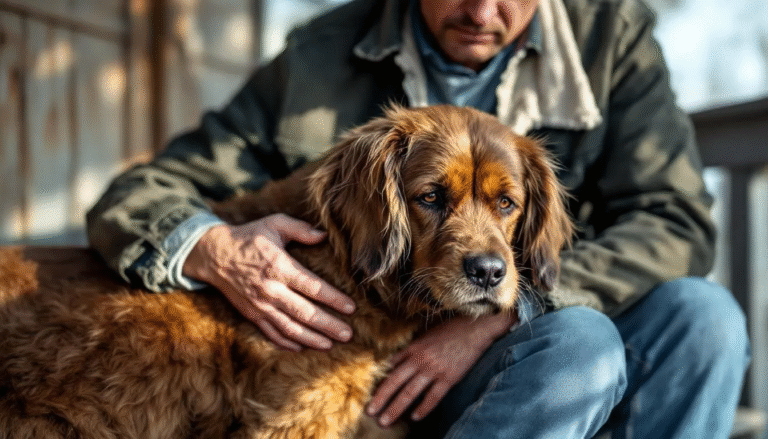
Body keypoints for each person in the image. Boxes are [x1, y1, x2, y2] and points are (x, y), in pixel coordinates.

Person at [86, 0, 751, 437]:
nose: (482, 11)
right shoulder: (321, 54)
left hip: (552, 312)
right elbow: (143, 193)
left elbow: (674, 219)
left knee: (705, 316)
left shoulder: (612, 38)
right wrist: (214, 247)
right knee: (580, 345)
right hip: (401, 349)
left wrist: (510, 311)